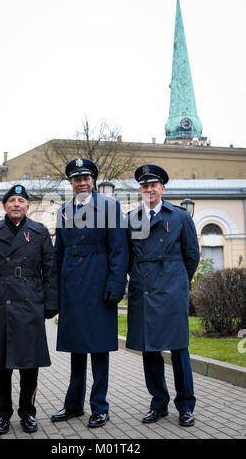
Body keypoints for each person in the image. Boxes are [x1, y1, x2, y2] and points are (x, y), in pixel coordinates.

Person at [0, 184, 59, 435]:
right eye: (11, 200)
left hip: (29, 303)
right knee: (1, 366)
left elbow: (50, 271)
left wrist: (51, 303)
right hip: (1, 302)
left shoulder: (39, 231)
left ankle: (28, 413)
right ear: (4, 206)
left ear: (27, 206)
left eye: (21, 200)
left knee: (30, 365)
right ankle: (3, 414)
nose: (16, 204)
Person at [51, 158, 128, 428]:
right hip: (72, 289)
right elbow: (58, 252)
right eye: (76, 179)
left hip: (99, 287)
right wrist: (55, 291)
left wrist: (116, 285)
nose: (81, 183)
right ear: (71, 184)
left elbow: (119, 250)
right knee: (76, 351)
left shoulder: (110, 206)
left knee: (99, 352)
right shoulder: (63, 210)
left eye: (85, 178)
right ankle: (73, 405)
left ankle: (100, 406)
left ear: (93, 181)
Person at [126, 164, 200, 427]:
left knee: (179, 351)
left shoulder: (179, 217)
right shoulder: (131, 219)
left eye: (153, 185)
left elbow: (192, 256)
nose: (149, 190)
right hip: (143, 292)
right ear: (140, 190)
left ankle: (185, 406)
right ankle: (158, 403)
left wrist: (179, 282)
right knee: (150, 351)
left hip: (171, 292)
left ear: (162, 189)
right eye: (144, 186)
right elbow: (127, 258)